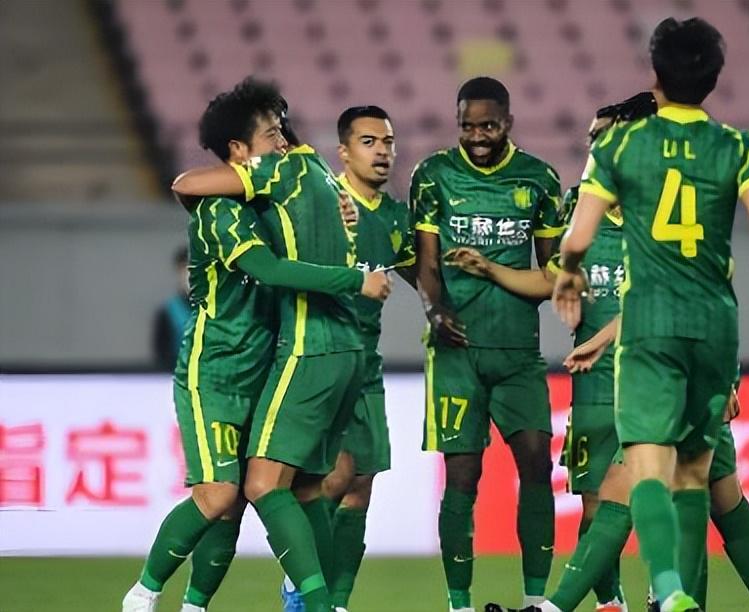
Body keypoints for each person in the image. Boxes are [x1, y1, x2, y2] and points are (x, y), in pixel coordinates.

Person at [463, 95, 749, 612]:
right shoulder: (583, 206)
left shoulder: (669, 209)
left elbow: (707, 292)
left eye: (604, 139)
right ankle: (616, 603)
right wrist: (497, 271)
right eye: (592, 140)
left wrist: (727, 376)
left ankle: (579, 606)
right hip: (603, 383)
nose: (594, 149)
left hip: (669, 375)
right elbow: (558, 276)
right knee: (621, 499)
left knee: (705, 497)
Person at [552, 17, 749, 612]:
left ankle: (668, 588)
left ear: (656, 73)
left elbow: (578, 236)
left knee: (647, 468)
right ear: (714, 77)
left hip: (651, 322)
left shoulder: (621, 146)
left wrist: (568, 272)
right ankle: (691, 599)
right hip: (715, 325)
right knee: (696, 475)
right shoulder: (740, 147)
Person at [123, 79, 389, 612]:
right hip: (215, 372)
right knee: (220, 495)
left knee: (263, 495)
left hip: (267, 365)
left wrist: (338, 212)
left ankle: (204, 604)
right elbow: (267, 267)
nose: (281, 141)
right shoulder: (219, 210)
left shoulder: (269, 199)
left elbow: (307, 218)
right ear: (239, 150)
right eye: (270, 135)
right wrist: (352, 279)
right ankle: (143, 593)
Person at [411, 76, 565, 612]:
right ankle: (459, 604)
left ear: (508, 123)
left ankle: (535, 601)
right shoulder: (433, 175)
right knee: (462, 474)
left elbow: (553, 275)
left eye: (488, 126)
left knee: (537, 465)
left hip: (518, 351)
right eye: (468, 126)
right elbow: (426, 264)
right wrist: (436, 310)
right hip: (456, 354)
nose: (477, 136)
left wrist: (493, 269)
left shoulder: (539, 180)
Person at [315, 105, 417, 611]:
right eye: (369, 142)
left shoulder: (396, 217)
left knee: (360, 484)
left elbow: (426, 278)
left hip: (366, 364)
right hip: (319, 358)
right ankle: (302, 584)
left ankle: (335, 603)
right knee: (334, 477)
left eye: (388, 142)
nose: (382, 152)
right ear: (344, 151)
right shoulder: (323, 204)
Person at [152, 246, 191, 371]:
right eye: (185, 269)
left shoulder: (217, 310)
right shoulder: (168, 312)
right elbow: (161, 355)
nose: (189, 275)